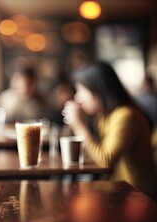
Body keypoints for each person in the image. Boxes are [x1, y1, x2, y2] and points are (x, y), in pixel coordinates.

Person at [62, 62, 157, 199]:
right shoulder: (105, 116)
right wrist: (75, 123)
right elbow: (91, 152)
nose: (77, 98)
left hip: (138, 195)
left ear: (98, 90)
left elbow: (105, 160)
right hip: (118, 191)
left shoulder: (126, 115)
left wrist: (78, 125)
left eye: (81, 91)